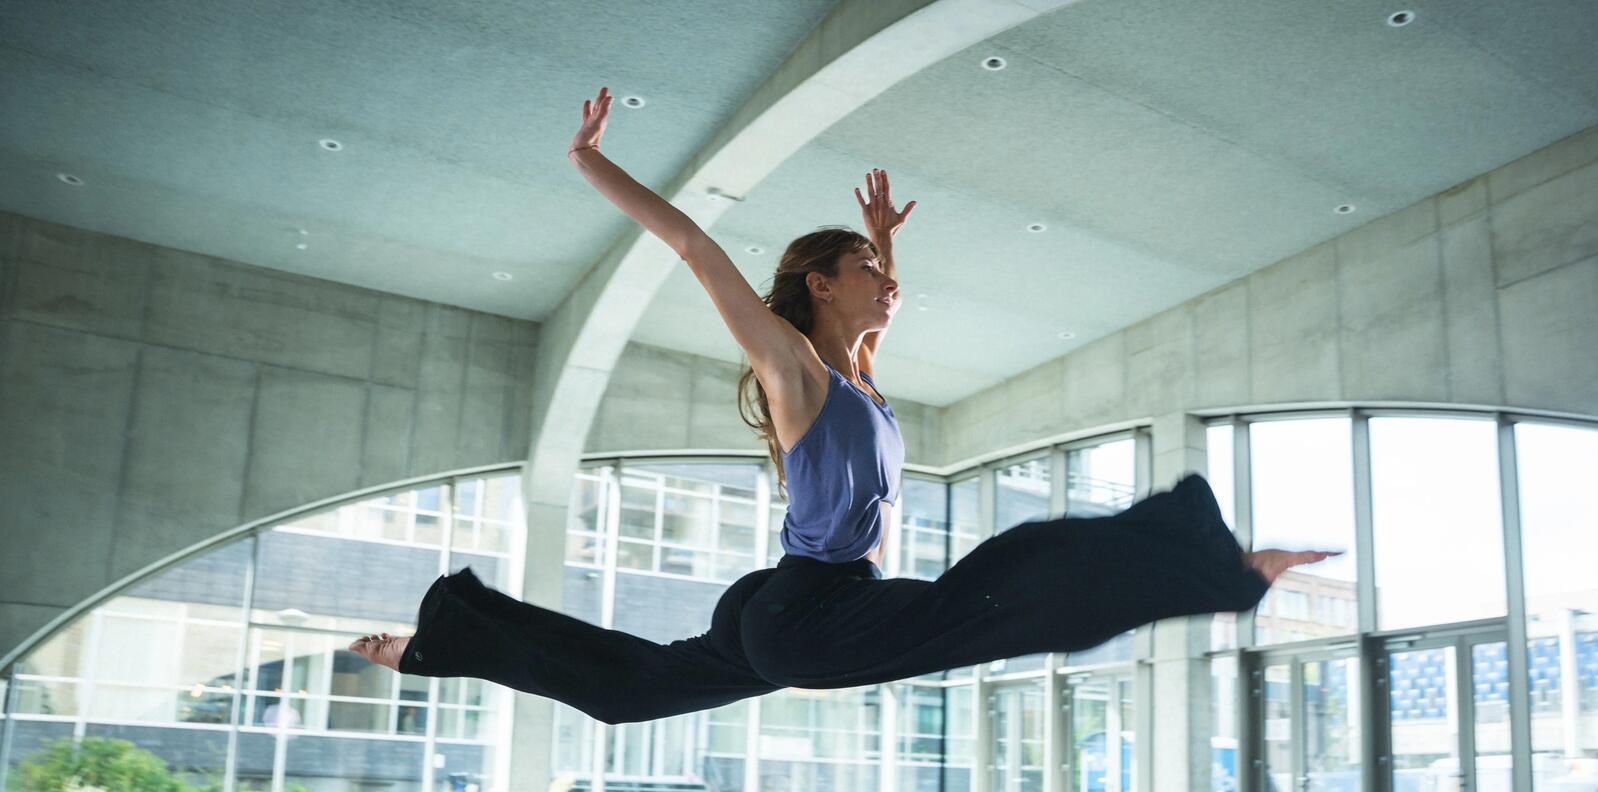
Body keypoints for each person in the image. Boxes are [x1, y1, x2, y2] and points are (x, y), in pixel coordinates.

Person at [349, 86, 1338, 725]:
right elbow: (696, 248)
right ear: (819, 286)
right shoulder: (797, 372)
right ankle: (1222, 566)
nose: (886, 282)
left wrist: (880, 240)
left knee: (631, 688)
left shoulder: (859, 375)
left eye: (882, 271)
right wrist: (589, 162)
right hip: (811, 611)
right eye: (863, 268)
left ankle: (439, 642)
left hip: (784, 607)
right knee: (1008, 587)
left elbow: (879, 316)